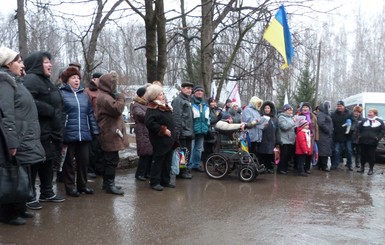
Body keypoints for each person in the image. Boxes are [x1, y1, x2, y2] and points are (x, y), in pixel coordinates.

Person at [0, 47, 45, 225]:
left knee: (21, 172)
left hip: (23, 135)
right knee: (11, 174)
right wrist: (11, 142)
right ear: (7, 64)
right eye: (18, 61)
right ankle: (7, 213)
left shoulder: (14, 81)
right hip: (14, 138)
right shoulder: (4, 82)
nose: (22, 64)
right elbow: (6, 114)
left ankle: (19, 208)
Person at [23, 51, 65, 210]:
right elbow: (28, 101)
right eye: (46, 62)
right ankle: (29, 195)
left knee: (47, 162)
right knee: (34, 163)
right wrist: (48, 109)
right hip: (37, 131)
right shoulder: (31, 80)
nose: (50, 64)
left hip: (50, 132)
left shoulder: (47, 81)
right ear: (36, 64)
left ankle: (47, 191)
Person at [59, 67, 99, 197]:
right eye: (73, 78)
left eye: (78, 78)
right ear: (67, 80)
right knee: (69, 163)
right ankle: (70, 187)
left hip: (84, 133)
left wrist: (94, 130)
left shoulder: (83, 95)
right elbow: (59, 115)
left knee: (84, 161)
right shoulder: (61, 93)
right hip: (68, 134)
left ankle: (82, 185)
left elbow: (90, 114)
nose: (76, 80)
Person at [96, 71, 129, 195]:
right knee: (111, 159)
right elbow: (117, 109)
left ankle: (108, 183)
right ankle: (109, 184)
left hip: (110, 132)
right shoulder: (104, 97)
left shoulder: (105, 95)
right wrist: (120, 96)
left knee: (111, 159)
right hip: (108, 132)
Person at [145, 84, 176, 191]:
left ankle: (165, 180)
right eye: (160, 94)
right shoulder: (152, 108)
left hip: (169, 140)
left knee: (167, 161)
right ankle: (155, 182)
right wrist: (163, 130)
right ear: (154, 96)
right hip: (160, 139)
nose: (163, 95)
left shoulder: (163, 106)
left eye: (162, 93)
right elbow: (149, 123)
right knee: (158, 160)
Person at [171, 82, 194, 179]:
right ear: (182, 89)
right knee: (182, 153)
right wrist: (178, 131)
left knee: (186, 152)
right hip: (182, 132)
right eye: (187, 88)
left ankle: (184, 169)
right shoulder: (178, 100)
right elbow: (177, 117)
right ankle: (181, 172)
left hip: (188, 131)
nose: (189, 90)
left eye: (190, 88)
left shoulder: (187, 100)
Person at [84, 72, 104, 178]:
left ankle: (99, 168)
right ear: (93, 79)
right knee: (92, 148)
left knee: (101, 148)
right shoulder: (87, 92)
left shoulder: (104, 91)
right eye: (98, 79)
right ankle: (90, 169)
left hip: (103, 123)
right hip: (92, 123)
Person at [132, 86, 153, 181]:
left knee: (149, 153)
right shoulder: (137, 105)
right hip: (142, 131)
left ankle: (147, 172)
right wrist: (151, 116)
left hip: (147, 130)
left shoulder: (146, 104)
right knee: (144, 154)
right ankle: (139, 173)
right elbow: (139, 114)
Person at [357, 108, 385, 175]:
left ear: (375, 113)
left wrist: (377, 138)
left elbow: (382, 131)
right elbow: (358, 128)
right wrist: (359, 136)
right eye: (369, 112)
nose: (369, 113)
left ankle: (371, 169)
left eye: (371, 112)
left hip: (373, 142)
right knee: (362, 155)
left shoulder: (380, 121)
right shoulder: (364, 120)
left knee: (371, 156)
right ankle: (362, 168)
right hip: (363, 141)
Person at [189, 85, 210, 172]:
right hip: (192, 129)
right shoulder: (190, 102)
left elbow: (207, 117)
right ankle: (188, 166)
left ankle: (196, 165)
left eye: (201, 91)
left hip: (201, 130)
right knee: (190, 148)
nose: (200, 92)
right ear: (194, 92)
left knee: (198, 148)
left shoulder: (205, 104)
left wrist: (207, 127)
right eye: (198, 91)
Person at [330, 100, 355, 171]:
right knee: (336, 151)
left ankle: (349, 164)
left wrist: (351, 129)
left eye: (340, 106)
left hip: (348, 136)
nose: (339, 107)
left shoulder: (350, 113)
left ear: (344, 106)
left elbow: (354, 122)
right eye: (338, 106)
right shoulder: (333, 114)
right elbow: (331, 124)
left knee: (349, 151)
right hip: (338, 135)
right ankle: (335, 164)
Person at [258, 101, 280, 173]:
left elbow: (277, 130)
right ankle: (262, 167)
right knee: (262, 153)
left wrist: (277, 140)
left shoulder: (275, 119)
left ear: (271, 109)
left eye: (268, 108)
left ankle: (268, 167)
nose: (267, 109)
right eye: (265, 108)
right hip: (263, 138)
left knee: (270, 154)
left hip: (271, 139)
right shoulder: (261, 117)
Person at [297, 102, 319, 174]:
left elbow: (316, 127)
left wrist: (316, 137)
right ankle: (300, 168)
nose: (305, 108)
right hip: (302, 136)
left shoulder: (313, 116)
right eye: (303, 107)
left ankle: (307, 168)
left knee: (310, 152)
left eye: (306, 107)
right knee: (302, 153)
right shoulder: (299, 116)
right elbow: (296, 126)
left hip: (311, 137)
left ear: (309, 108)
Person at [277, 104, 296, 175]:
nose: (291, 111)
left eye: (291, 110)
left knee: (288, 155)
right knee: (283, 155)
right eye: (289, 110)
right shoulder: (281, 117)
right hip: (284, 139)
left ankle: (285, 168)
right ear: (285, 110)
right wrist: (293, 122)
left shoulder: (291, 117)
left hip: (291, 139)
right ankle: (280, 169)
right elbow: (284, 127)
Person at [316, 101, 333, 172]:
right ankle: (324, 166)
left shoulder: (325, 114)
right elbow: (321, 123)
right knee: (324, 151)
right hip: (324, 135)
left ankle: (321, 165)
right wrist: (328, 130)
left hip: (326, 135)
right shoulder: (322, 114)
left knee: (324, 150)